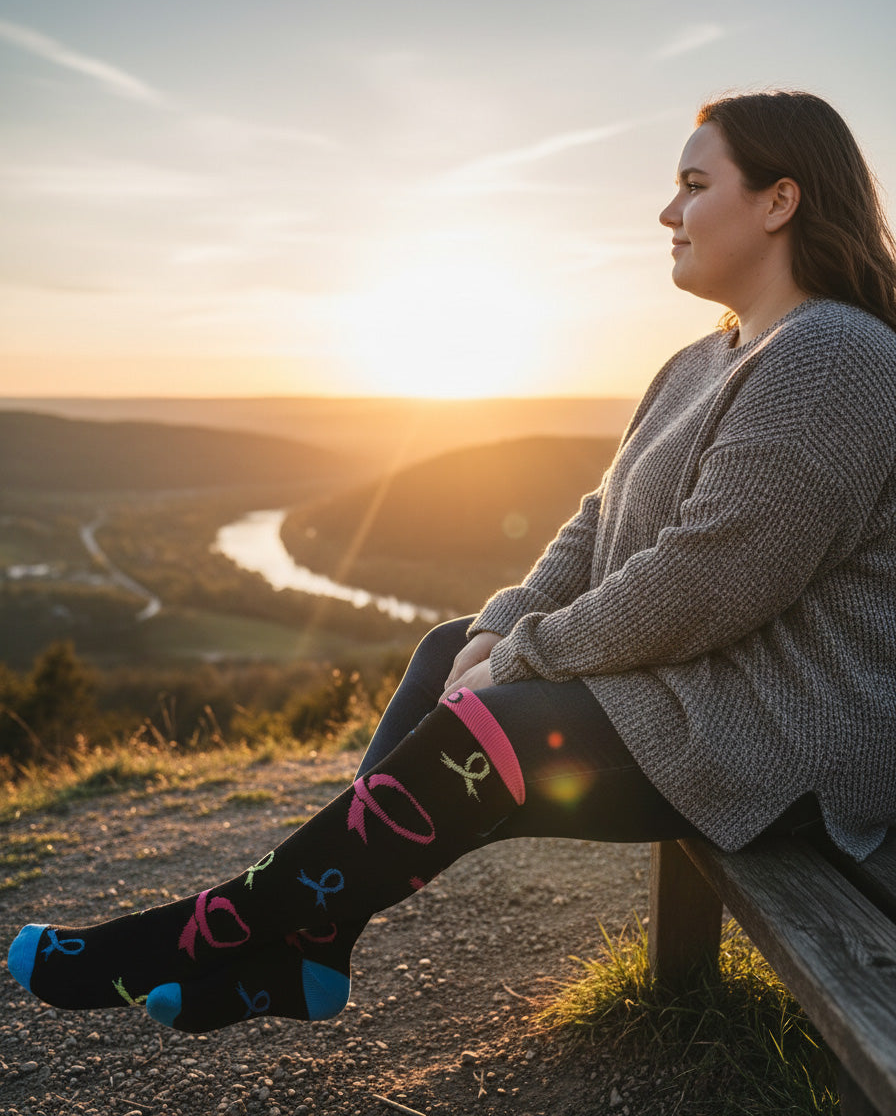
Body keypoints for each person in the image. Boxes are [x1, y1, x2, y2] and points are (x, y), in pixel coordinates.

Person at [8, 90, 896, 1035]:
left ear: (779, 201)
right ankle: (315, 946)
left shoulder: (835, 355)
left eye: (693, 183)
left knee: (493, 716)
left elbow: (707, 582)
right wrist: (499, 625)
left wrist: (522, 660)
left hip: (790, 741)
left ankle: (189, 939)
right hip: (708, 694)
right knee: (447, 648)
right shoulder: (700, 361)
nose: (667, 212)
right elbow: (598, 526)